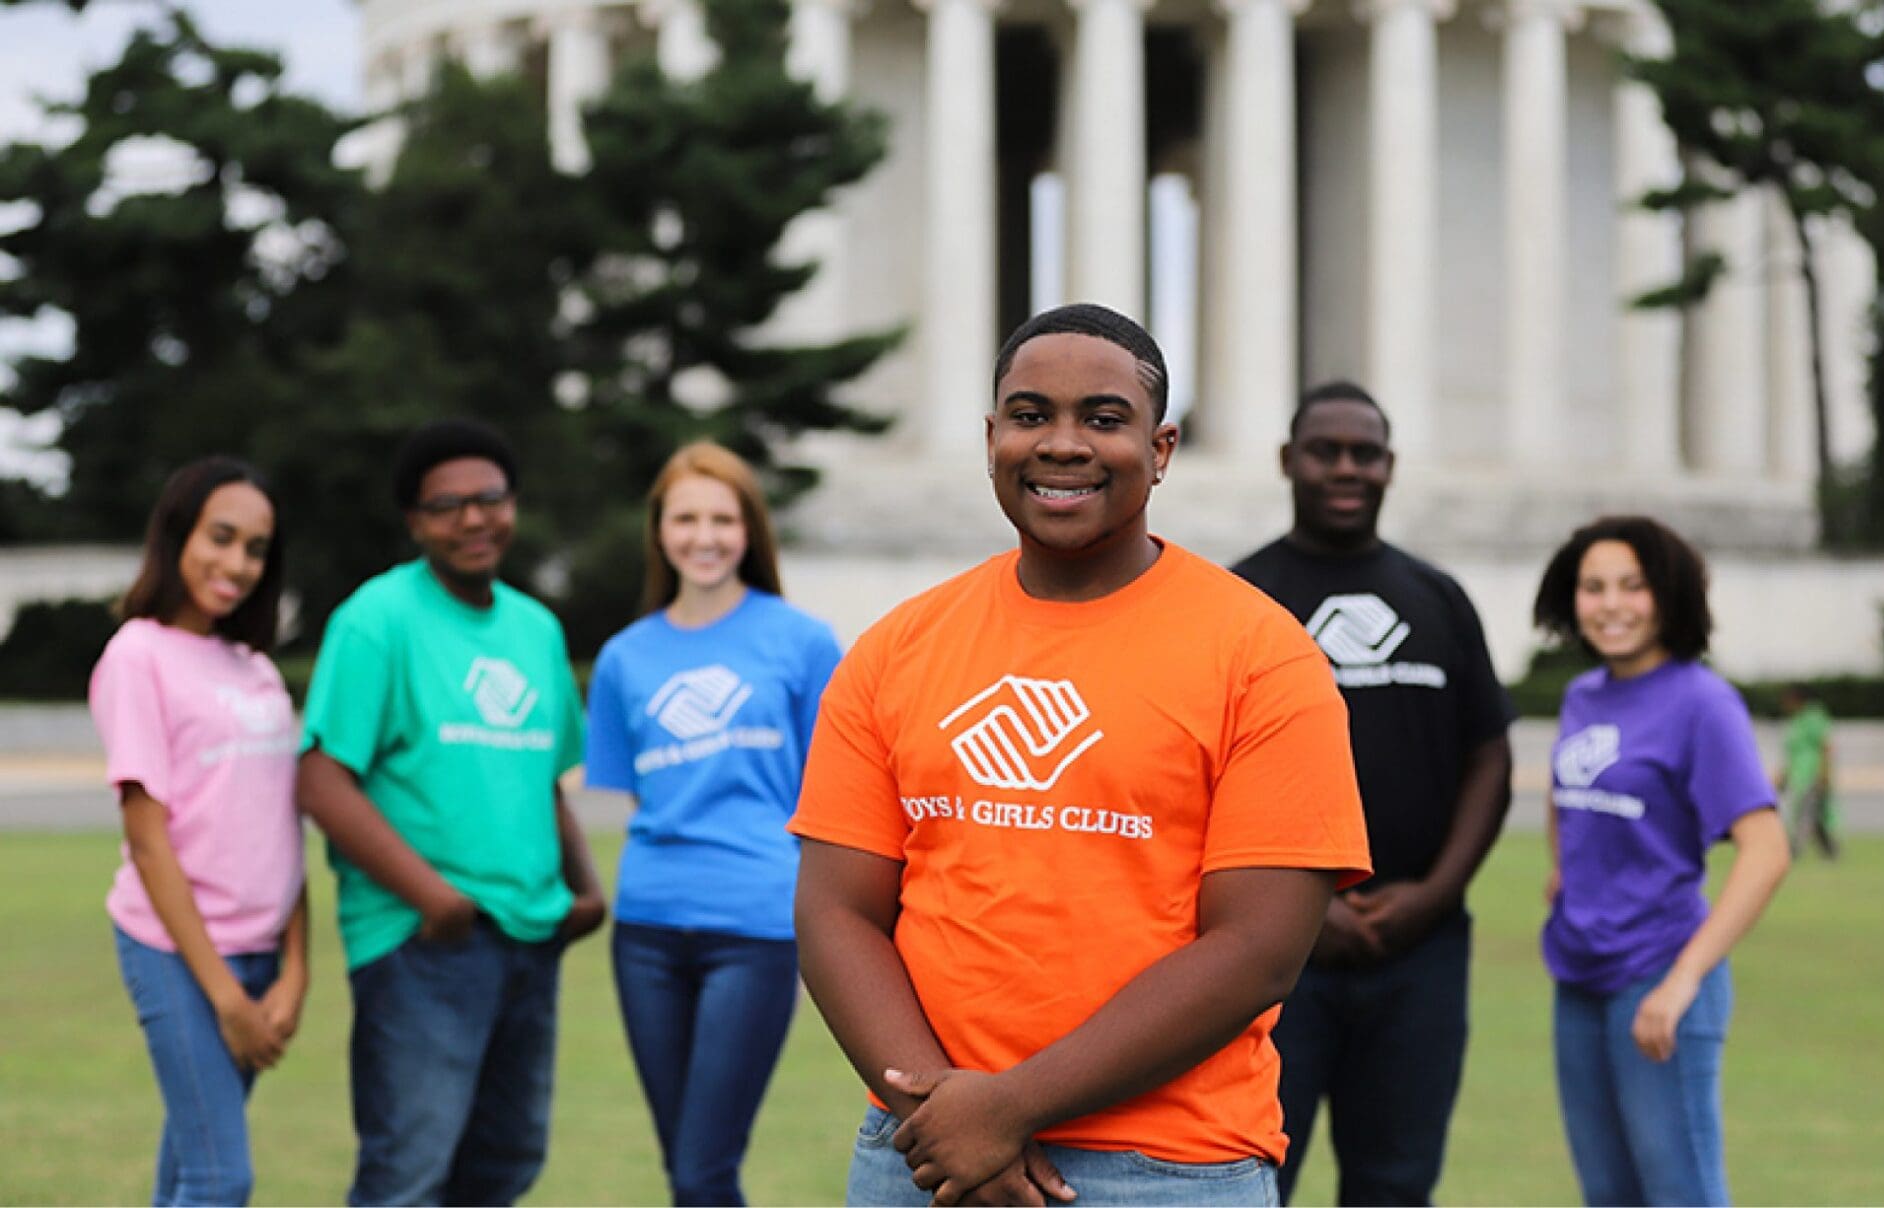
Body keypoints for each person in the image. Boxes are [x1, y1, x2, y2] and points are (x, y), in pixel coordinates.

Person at [789, 303, 1372, 1207]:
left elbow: (1256, 948)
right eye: (1030, 416)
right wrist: (949, 1126)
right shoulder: (896, 649)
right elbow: (837, 913)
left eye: (1104, 418)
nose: (1062, 444)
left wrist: (1006, 1110)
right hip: (921, 1156)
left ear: (1163, 448)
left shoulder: (1263, 655)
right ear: (991, 438)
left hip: (1168, 1169)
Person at [297, 418, 606, 1207]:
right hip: (424, 944)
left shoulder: (534, 628)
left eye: (490, 498)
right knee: (409, 1172)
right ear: (415, 522)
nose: (474, 518)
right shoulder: (378, 619)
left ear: (513, 504)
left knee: (506, 1162)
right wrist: (435, 900)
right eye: (447, 505)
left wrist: (586, 886)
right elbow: (321, 779)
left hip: (530, 937)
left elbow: (541, 777)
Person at [1230, 380, 1514, 1206]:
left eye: (1367, 453)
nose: (1347, 468)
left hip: (1418, 951)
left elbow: (1489, 758)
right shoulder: (1238, 603)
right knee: (1251, 1177)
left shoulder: (1439, 598)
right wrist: (1304, 911)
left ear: (1391, 466)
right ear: (1289, 461)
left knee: (1396, 1183)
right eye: (1327, 451)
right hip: (1271, 958)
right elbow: (1200, 780)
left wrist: (1434, 894)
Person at [584, 442, 842, 1206]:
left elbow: (831, 794)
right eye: (686, 517)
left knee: (703, 1168)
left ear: (749, 531)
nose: (705, 536)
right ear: (659, 530)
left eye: (723, 519)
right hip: (647, 930)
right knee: (687, 1170)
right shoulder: (624, 659)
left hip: (756, 927)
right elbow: (638, 797)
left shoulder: (804, 642)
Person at [1532, 515, 1791, 1207]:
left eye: (1632, 585)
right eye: (1592, 587)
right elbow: (1567, 796)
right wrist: (1567, 870)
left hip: (1658, 978)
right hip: (1579, 977)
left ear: (1668, 595)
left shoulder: (1703, 703)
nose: (1610, 604)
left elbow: (1767, 850)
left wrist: (1681, 982)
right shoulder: (1583, 697)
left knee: (1683, 1195)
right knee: (1608, 1196)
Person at [89, 456, 307, 1206]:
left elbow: (284, 825)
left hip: (260, 954)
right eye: (221, 537)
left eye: (255, 549)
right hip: (177, 952)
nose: (237, 563)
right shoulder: (137, 655)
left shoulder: (257, 671)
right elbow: (148, 841)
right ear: (178, 533)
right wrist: (226, 998)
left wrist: (296, 969)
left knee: (189, 1169)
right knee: (221, 1179)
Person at [1777, 683, 1838, 859]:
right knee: (1815, 815)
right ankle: (1831, 852)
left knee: (1805, 814)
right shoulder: (1797, 720)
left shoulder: (1814, 717)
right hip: (1799, 776)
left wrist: (1824, 774)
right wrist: (1784, 774)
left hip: (1812, 774)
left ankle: (1793, 850)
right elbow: (1794, 752)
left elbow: (1826, 746)